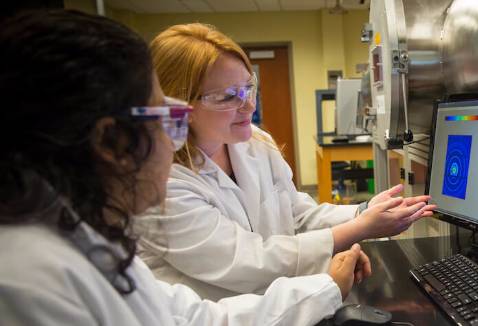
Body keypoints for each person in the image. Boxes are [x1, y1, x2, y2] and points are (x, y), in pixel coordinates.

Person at [0, 10, 365, 325]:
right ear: (112, 141)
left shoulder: (83, 238)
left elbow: (187, 318)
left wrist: (325, 286)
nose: (173, 140)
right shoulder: (30, 282)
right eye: (168, 117)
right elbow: (240, 265)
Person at [136, 22, 437, 300]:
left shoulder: (253, 143)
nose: (249, 105)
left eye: (248, 87)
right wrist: (360, 229)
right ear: (177, 104)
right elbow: (246, 262)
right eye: (228, 97)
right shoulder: (159, 184)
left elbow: (296, 216)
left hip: (280, 301)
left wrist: (362, 211)